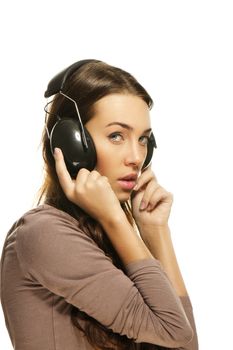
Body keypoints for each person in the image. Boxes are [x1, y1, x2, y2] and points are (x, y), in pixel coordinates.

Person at [0, 59, 198, 350]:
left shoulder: (106, 240)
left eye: (143, 139)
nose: (136, 156)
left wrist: (156, 232)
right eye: (116, 136)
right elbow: (174, 330)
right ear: (74, 144)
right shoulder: (44, 232)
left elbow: (184, 346)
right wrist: (116, 221)